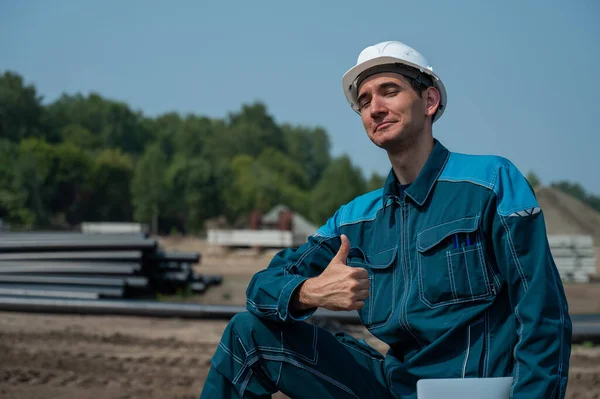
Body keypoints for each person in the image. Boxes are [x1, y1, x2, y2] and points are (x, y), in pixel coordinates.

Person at [199, 40, 572, 399]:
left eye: (389, 91)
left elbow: (543, 317)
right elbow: (261, 287)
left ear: (429, 100)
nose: (375, 108)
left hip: (472, 390)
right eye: (364, 101)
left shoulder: (491, 183)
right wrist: (311, 292)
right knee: (247, 334)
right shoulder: (355, 220)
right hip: (392, 389)